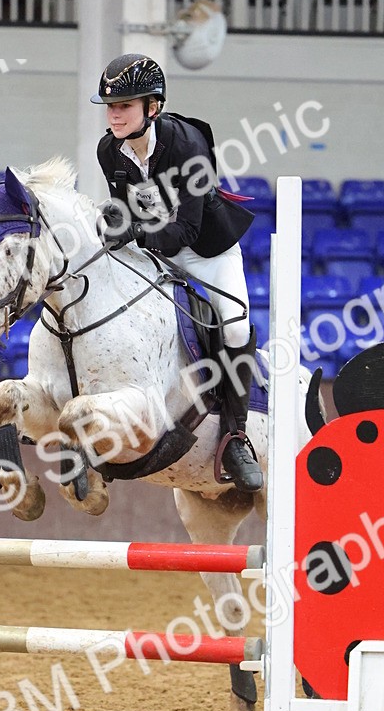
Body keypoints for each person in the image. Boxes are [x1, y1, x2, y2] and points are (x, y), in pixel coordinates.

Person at [91, 52, 263, 494]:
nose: (114, 114)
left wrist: (133, 233)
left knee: (236, 327)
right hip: (156, 246)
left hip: (207, 249)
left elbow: (186, 227)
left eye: (124, 105)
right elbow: (127, 210)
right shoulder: (108, 150)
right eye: (110, 105)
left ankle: (237, 436)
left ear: (153, 107)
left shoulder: (188, 144)